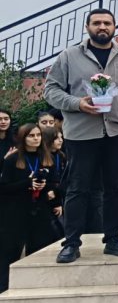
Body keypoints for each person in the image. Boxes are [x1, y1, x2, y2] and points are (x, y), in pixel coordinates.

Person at [44, 8, 118, 264]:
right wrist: (78, 103)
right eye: (97, 23)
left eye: (107, 23)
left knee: (114, 188)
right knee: (78, 189)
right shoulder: (69, 56)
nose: (103, 27)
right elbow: (51, 91)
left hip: (117, 132)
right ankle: (71, 243)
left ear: (115, 27)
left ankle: (113, 239)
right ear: (87, 27)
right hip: (81, 134)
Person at [0, 124, 62, 293]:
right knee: (10, 252)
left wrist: (48, 189)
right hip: (16, 211)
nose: (36, 138)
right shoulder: (13, 159)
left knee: (40, 248)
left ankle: (38, 287)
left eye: (38, 135)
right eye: (31, 136)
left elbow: (55, 183)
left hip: (40, 209)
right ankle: (4, 289)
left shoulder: (46, 157)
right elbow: (4, 187)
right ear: (23, 138)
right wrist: (27, 184)